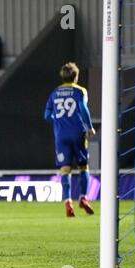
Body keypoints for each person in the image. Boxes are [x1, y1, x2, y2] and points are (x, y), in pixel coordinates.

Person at [44, 62, 96, 218]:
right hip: (78, 133)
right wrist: (89, 127)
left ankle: (67, 201)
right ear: (76, 76)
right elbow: (83, 108)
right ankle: (83, 197)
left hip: (61, 136)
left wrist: (60, 120)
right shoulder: (80, 91)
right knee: (83, 166)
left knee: (65, 169)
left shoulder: (54, 93)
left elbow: (47, 116)